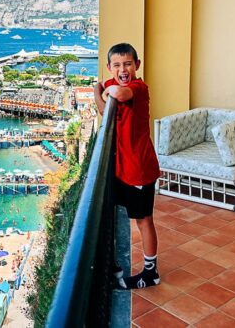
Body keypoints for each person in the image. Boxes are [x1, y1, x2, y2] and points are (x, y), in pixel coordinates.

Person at [94, 43, 161, 290]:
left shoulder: (137, 87)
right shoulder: (120, 87)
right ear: (110, 67)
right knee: (109, 211)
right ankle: (112, 263)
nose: (123, 69)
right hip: (123, 169)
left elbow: (117, 95)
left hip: (140, 171)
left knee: (144, 221)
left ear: (137, 66)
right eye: (117, 65)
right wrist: (97, 92)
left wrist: (103, 86)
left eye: (128, 64)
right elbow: (105, 110)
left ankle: (151, 272)